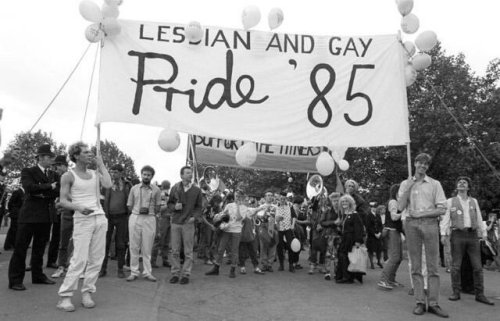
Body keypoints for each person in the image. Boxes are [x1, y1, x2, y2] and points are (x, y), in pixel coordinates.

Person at [56, 142, 112, 312]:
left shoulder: (95, 173)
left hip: (100, 218)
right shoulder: (68, 175)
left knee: (97, 259)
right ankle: (65, 297)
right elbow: (63, 200)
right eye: (86, 152)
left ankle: (87, 292)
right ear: (76, 155)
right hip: (82, 219)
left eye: (90, 152)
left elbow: (108, 185)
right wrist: (79, 207)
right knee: (79, 259)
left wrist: (101, 164)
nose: (90, 154)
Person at [398, 153, 448, 318]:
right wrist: (409, 186)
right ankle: (420, 302)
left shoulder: (435, 184)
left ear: (427, 167)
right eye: (420, 163)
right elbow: (400, 206)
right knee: (416, 265)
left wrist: (422, 214)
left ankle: (433, 303)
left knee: (433, 266)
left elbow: (442, 208)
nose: (423, 166)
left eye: (426, 164)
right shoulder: (406, 183)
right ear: (415, 164)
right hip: (411, 225)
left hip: (430, 224)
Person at [8, 144, 59, 291]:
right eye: (49, 157)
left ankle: (38, 276)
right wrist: (49, 187)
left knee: (39, 248)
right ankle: (15, 280)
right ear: (41, 157)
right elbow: (29, 188)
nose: (51, 160)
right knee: (21, 248)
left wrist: (42, 190)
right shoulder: (28, 171)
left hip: (45, 215)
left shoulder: (53, 175)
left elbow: (58, 191)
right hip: (29, 215)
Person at [440, 176, 494, 305]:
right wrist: (443, 234)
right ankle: (456, 292)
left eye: (465, 182)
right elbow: (446, 219)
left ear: (468, 187)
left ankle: (480, 294)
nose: (462, 183)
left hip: (473, 235)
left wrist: (484, 233)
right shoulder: (450, 201)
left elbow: (479, 218)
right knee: (456, 266)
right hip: (457, 235)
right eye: (460, 182)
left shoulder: (473, 201)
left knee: (477, 267)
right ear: (457, 186)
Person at [206, 190, 264, 277]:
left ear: (242, 197)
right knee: (221, 249)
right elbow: (223, 215)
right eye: (236, 196)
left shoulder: (244, 207)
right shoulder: (229, 205)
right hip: (226, 230)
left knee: (234, 250)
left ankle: (232, 269)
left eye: (239, 196)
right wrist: (219, 216)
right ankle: (216, 268)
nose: (237, 197)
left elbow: (239, 218)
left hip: (236, 231)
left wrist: (237, 206)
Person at [168, 166, 203, 285]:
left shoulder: (197, 190)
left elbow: (199, 207)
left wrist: (195, 217)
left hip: (188, 223)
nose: (190, 175)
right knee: (174, 250)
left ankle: (186, 274)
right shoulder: (175, 187)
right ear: (181, 175)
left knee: (188, 251)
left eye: (191, 173)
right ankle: (175, 273)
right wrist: (174, 207)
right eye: (187, 173)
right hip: (176, 222)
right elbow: (169, 204)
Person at [126, 165, 161, 282]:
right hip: (135, 217)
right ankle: (134, 272)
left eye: (148, 175)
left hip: (150, 218)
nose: (146, 177)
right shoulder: (134, 188)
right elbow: (129, 205)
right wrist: (137, 212)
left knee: (147, 247)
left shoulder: (156, 189)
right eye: (144, 174)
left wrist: (150, 212)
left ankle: (147, 272)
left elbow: (158, 207)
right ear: (141, 175)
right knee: (134, 246)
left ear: (152, 176)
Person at [100, 164, 132, 279]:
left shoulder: (127, 185)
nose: (113, 174)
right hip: (108, 218)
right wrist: (103, 213)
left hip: (122, 217)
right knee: (105, 243)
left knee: (121, 244)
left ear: (121, 173)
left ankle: (120, 269)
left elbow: (131, 200)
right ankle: (103, 269)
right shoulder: (106, 184)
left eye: (116, 172)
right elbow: (101, 200)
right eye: (112, 172)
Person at [51, 155, 74, 278]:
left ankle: (71, 265)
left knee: (77, 240)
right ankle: (61, 266)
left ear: (65, 166)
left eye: (58, 166)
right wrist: (58, 202)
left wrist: (63, 200)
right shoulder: (57, 178)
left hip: (76, 211)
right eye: (55, 166)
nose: (56, 168)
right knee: (63, 240)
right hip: (65, 212)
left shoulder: (73, 177)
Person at [378, 184, 404, 290]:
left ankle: (391, 279)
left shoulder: (396, 202)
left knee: (399, 257)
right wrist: (405, 213)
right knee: (394, 257)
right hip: (393, 231)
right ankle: (383, 280)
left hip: (395, 231)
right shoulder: (393, 202)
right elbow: (394, 217)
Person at [336, 194, 365, 284]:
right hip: (344, 238)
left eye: (346, 201)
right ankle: (345, 276)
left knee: (346, 257)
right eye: (343, 202)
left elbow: (359, 228)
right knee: (343, 256)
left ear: (350, 203)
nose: (344, 203)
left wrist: (358, 241)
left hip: (351, 239)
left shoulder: (354, 214)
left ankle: (347, 277)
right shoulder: (343, 214)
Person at [275, 191, 299, 273]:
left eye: (284, 198)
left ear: (286, 198)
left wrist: (293, 224)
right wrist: (276, 220)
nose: (282, 199)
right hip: (279, 229)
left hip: (288, 228)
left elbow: (294, 216)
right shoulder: (276, 206)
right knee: (279, 247)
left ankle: (291, 265)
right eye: (281, 198)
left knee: (290, 246)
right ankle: (281, 265)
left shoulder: (290, 205)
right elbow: (273, 218)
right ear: (279, 198)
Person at [151, 180, 172, 268]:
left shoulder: (167, 195)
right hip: (162, 219)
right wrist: (169, 205)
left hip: (167, 218)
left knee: (166, 241)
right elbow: (159, 208)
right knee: (159, 240)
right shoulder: (162, 195)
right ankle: (153, 260)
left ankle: (164, 260)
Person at [256, 191, 278, 272]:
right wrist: (265, 213)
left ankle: (270, 264)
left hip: (272, 226)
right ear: (265, 197)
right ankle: (264, 264)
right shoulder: (261, 206)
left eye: (271, 195)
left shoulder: (275, 207)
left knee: (272, 246)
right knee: (263, 246)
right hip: (264, 227)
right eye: (268, 195)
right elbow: (258, 218)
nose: (270, 197)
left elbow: (277, 218)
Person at [4, 183, 24, 251]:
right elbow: (10, 202)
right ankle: (9, 245)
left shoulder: (24, 192)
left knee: (16, 230)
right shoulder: (17, 192)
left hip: (20, 214)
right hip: (15, 214)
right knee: (13, 230)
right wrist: (11, 211)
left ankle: (13, 244)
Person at [366, 201, 383, 269]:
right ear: (370, 208)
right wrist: (374, 233)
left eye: (375, 207)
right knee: (371, 250)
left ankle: (379, 261)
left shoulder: (378, 215)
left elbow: (380, 225)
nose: (374, 209)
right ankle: (372, 263)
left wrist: (379, 232)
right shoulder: (368, 216)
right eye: (373, 207)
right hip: (371, 235)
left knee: (379, 249)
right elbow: (368, 226)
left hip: (378, 235)